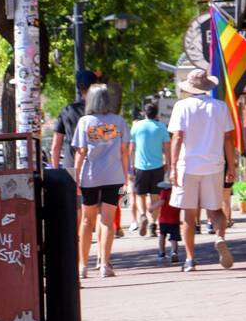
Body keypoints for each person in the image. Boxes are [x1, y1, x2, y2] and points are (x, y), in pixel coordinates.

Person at [168, 69, 236, 272]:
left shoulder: (182, 106)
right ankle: (220, 237)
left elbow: (177, 137)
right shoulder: (220, 107)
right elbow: (228, 138)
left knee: (188, 215)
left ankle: (190, 259)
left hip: (187, 165)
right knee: (215, 209)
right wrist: (231, 166)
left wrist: (172, 167)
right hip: (214, 165)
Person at [73, 82, 131, 280]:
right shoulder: (119, 121)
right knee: (107, 220)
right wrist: (126, 174)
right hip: (114, 176)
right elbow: (125, 151)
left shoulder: (85, 122)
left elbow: (80, 152)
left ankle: (82, 266)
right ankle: (105, 265)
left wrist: (75, 178)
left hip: (90, 176)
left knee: (87, 220)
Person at [130, 101, 171, 236]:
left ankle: (142, 215)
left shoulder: (136, 126)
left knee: (140, 195)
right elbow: (167, 148)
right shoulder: (161, 128)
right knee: (155, 197)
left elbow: (131, 148)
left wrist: (130, 165)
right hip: (158, 166)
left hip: (140, 166)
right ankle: (153, 225)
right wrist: (169, 164)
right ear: (156, 113)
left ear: (144, 113)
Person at [50, 69, 98, 179]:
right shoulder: (102, 114)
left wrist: (56, 171)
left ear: (78, 87)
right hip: (97, 169)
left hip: (71, 168)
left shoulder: (67, 111)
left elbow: (56, 146)